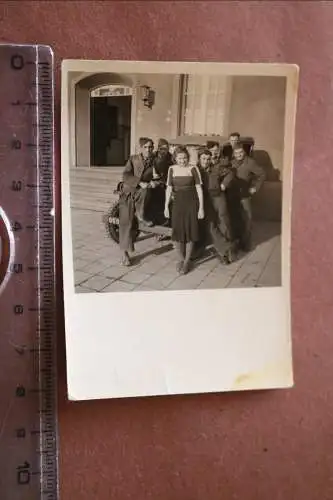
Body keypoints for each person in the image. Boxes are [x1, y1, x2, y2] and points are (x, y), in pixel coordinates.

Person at [118, 137, 159, 266]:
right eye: (145, 147)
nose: (148, 150)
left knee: (146, 190)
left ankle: (140, 215)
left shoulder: (156, 161)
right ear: (141, 148)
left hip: (144, 194)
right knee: (126, 222)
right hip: (128, 193)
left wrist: (155, 182)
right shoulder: (133, 159)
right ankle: (125, 254)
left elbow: (161, 178)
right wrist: (139, 182)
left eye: (151, 147)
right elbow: (125, 175)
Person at [164, 146, 204, 275]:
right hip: (177, 204)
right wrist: (166, 206)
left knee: (190, 232)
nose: (183, 161)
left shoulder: (193, 168)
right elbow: (169, 189)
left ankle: (187, 261)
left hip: (191, 203)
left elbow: (199, 189)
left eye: (185, 158)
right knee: (178, 232)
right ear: (175, 158)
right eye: (180, 158)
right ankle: (180, 259)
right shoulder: (171, 169)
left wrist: (201, 208)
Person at [199, 145, 235, 263]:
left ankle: (224, 253)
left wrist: (224, 184)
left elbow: (230, 174)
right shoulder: (195, 170)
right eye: (203, 159)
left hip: (218, 197)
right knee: (210, 225)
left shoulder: (217, 168)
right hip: (204, 200)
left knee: (223, 222)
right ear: (199, 159)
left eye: (208, 159)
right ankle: (224, 247)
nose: (206, 161)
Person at [229, 144, 266, 251]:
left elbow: (262, 174)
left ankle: (246, 243)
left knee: (247, 218)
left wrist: (255, 187)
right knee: (235, 218)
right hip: (233, 195)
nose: (239, 155)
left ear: (244, 152)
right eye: (236, 153)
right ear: (233, 154)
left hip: (244, 195)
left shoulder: (250, 162)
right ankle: (236, 242)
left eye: (240, 152)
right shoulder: (232, 163)